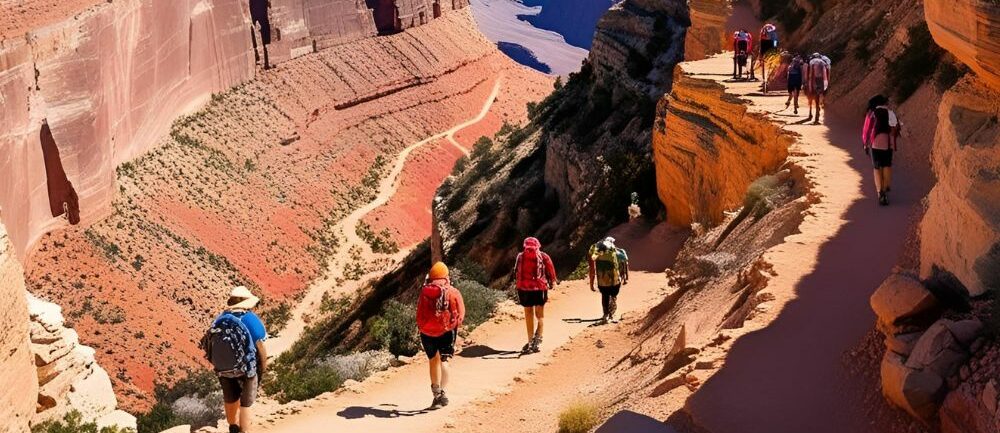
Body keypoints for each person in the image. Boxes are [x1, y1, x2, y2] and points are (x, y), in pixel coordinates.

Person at [203, 286, 268, 433]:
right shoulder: (249, 318)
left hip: (223, 368)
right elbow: (261, 347)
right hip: (246, 368)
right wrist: (262, 369)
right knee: (246, 402)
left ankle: (233, 426)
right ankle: (244, 430)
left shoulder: (220, 319)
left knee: (230, 397)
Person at [416, 262, 465, 408]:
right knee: (445, 360)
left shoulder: (424, 292)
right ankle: (443, 392)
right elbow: (461, 314)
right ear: (446, 276)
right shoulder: (452, 291)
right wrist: (454, 325)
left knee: (433, 360)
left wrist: (422, 327)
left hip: (426, 332)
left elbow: (418, 312)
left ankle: (435, 394)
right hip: (446, 330)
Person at [512, 237, 558, 354]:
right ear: (538, 246)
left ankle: (530, 340)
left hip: (524, 288)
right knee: (540, 315)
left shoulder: (521, 256)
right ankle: (538, 338)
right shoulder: (543, 256)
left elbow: (516, 271)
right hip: (539, 288)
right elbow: (551, 271)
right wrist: (553, 282)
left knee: (528, 314)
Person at [862, 94, 902, 206]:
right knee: (886, 165)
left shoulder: (872, 114)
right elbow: (897, 128)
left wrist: (865, 143)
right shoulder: (891, 113)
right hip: (888, 144)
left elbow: (866, 130)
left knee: (876, 167)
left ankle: (880, 193)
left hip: (875, 143)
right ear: (884, 103)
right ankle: (886, 188)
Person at [588, 237, 629, 324]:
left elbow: (592, 269)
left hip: (602, 280)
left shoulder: (594, 250)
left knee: (605, 295)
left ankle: (606, 315)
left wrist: (591, 283)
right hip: (615, 279)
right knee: (613, 296)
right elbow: (625, 259)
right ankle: (611, 314)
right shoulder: (614, 250)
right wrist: (625, 277)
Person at [805, 53, 830, 124]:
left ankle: (814, 115)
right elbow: (827, 73)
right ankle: (820, 107)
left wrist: (807, 82)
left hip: (814, 80)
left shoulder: (811, 62)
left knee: (812, 96)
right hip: (822, 81)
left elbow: (809, 73)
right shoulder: (823, 62)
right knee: (820, 95)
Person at [249, 0, 271, 69]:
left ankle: (265, 60)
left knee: (263, 30)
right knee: (264, 30)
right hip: (258, 6)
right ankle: (265, 61)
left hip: (256, 6)